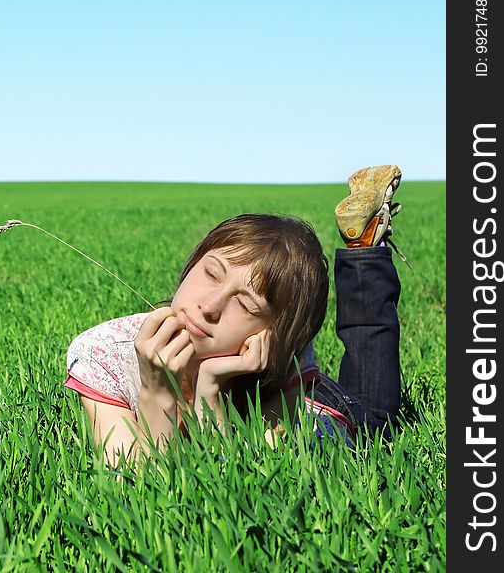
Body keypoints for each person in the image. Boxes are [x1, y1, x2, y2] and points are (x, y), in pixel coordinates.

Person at [64, 165, 404, 465]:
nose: (209, 307)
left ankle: (365, 250)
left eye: (245, 305)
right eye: (211, 274)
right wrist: (156, 394)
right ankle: (365, 248)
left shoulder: (281, 353)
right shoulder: (103, 354)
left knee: (377, 424)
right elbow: (138, 493)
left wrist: (210, 391)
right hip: (286, 393)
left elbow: (241, 490)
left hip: (313, 417)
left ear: (271, 332)